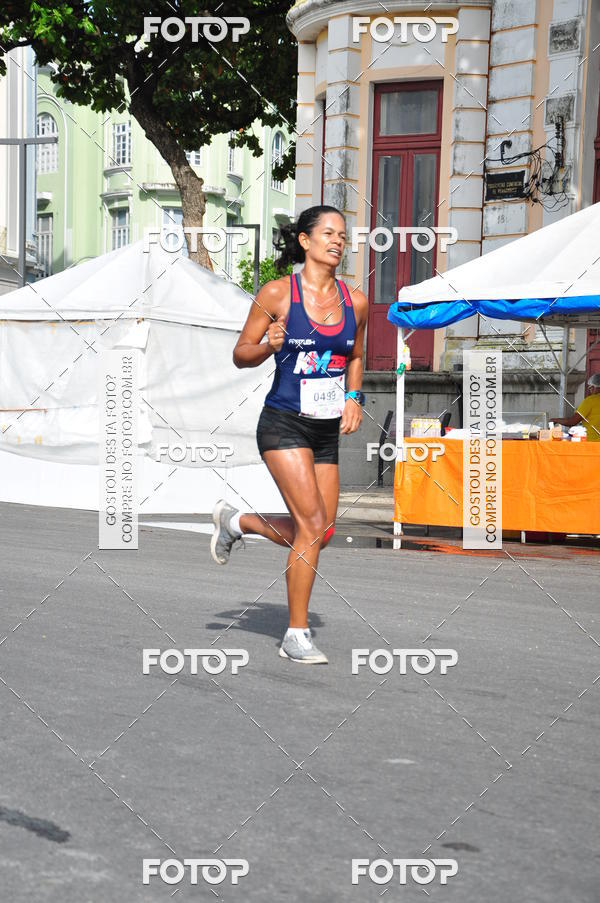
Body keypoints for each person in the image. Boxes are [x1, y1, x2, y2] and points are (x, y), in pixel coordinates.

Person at [210, 205, 368, 664]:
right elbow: (241, 353)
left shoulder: (355, 300)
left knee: (323, 531)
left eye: (343, 235)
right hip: (283, 423)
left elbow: (355, 355)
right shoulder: (278, 294)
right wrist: (268, 347)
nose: (338, 241)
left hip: (325, 431)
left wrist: (355, 397)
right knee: (312, 527)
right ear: (304, 240)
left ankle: (237, 522)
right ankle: (295, 635)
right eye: (328, 233)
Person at [553, 372, 600, 441]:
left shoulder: (590, 401)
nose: (590, 391)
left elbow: (572, 422)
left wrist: (555, 420)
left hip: (592, 442)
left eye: (590, 388)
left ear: (593, 387)